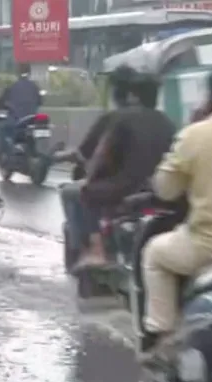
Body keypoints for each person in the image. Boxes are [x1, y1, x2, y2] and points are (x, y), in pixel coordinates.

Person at [139, 66, 212, 358]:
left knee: (154, 254)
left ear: (211, 96)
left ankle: (162, 336)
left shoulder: (197, 134)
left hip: (211, 247)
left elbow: (165, 189)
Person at [75, 72, 175, 268]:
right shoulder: (167, 122)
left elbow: (101, 156)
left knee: (82, 193)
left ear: (133, 96)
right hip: (157, 190)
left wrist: (91, 177)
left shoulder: (120, 119)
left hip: (125, 187)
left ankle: (97, 251)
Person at [58, 65, 140, 265]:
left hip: (116, 187)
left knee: (71, 192)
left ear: (114, 92)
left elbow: (83, 152)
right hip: (148, 188)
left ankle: (90, 248)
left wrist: (59, 156)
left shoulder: (112, 119)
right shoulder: (158, 119)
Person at [0, 63, 42, 161]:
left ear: (17, 72)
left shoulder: (12, 87)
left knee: (1, 128)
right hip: (32, 121)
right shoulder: (35, 87)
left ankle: (5, 156)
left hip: (16, 121)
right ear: (30, 72)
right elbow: (40, 102)